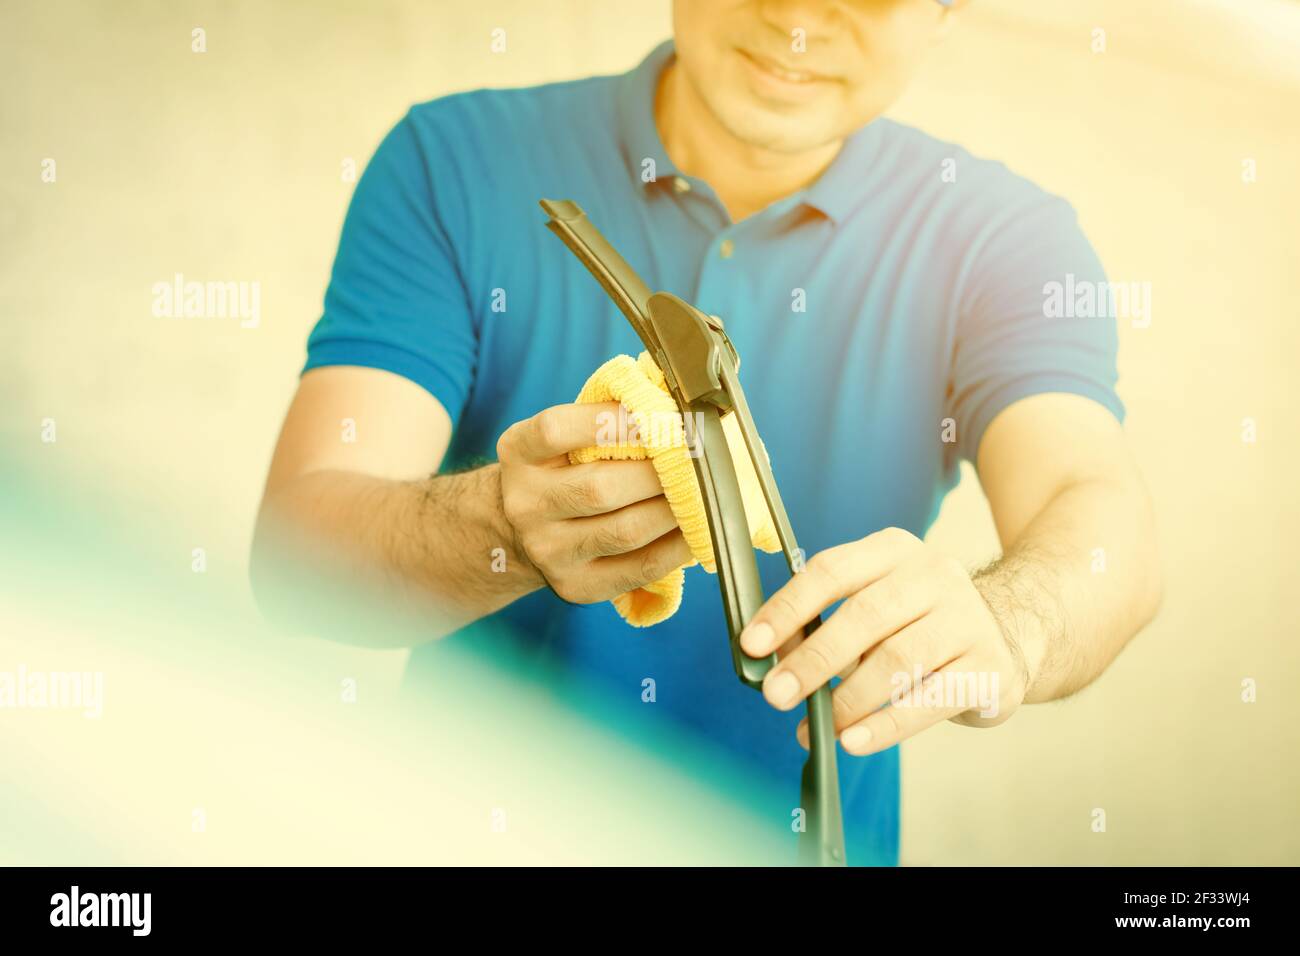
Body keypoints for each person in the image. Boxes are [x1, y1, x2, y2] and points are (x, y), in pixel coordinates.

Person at [252, 0, 1161, 865]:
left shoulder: (1006, 241)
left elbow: (1098, 514)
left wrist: (1011, 620)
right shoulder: (455, 160)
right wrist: (497, 524)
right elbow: (297, 557)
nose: (797, 20)